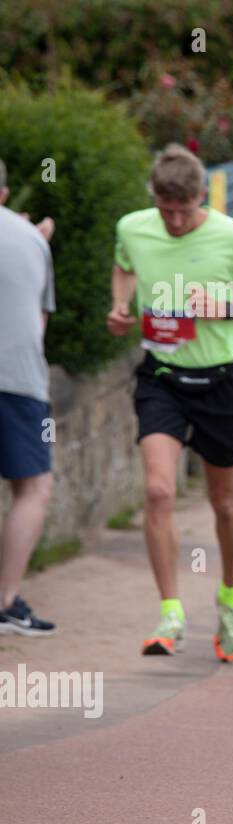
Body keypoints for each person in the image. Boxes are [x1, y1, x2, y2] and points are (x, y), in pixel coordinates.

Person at [108, 144, 233, 659]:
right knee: (159, 491)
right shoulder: (134, 227)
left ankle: (229, 596)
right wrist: (121, 306)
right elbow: (124, 266)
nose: (176, 221)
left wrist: (226, 306)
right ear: (155, 201)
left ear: (201, 197)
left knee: (223, 503)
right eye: (167, 211)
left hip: (220, 381)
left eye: (185, 210)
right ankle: (170, 613)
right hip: (161, 377)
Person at [0, 159, 57, 636]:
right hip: (19, 381)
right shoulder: (32, 240)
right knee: (33, 487)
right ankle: (6, 599)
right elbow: (39, 324)